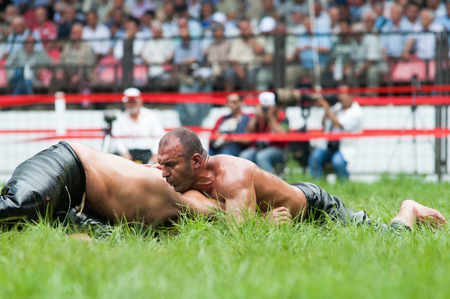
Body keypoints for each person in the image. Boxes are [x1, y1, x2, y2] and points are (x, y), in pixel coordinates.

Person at [157, 127, 447, 230]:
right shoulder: (179, 174)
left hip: (316, 209)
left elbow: (242, 234)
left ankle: (409, 208)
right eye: (162, 165)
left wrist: (261, 223)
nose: (164, 172)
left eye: (170, 165)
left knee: (390, 240)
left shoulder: (231, 175)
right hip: (289, 196)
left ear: (196, 162)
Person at [0, 141, 218, 229]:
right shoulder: (178, 191)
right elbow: (219, 212)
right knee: (19, 205)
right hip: (69, 164)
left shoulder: (180, 195)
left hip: (80, 205)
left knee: (17, 223)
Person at [309, 85, 362, 181]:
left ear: (351, 96)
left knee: (337, 162)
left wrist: (326, 107)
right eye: (339, 94)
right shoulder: (337, 107)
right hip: (329, 146)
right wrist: (327, 106)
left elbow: (339, 124)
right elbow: (323, 123)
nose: (339, 97)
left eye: (343, 94)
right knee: (314, 157)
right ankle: (318, 188)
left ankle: (345, 186)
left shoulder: (356, 112)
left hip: (344, 148)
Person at [111, 87, 166, 164]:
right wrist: (124, 154)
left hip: (147, 152)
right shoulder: (119, 118)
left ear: (140, 101)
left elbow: (159, 135)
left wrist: (155, 154)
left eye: (134, 102)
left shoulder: (151, 116)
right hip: (126, 153)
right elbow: (117, 139)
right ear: (125, 103)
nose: (131, 105)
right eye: (129, 102)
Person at [239, 91, 289, 174]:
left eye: (269, 106)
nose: (266, 109)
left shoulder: (282, 117)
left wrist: (270, 117)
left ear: (275, 106)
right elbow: (248, 131)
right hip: (258, 147)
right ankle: (246, 182)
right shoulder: (257, 117)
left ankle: (268, 184)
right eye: (264, 106)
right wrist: (256, 116)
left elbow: (283, 134)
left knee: (262, 156)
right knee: (244, 156)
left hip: (277, 149)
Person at [49, 24, 96, 94]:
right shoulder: (67, 46)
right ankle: (52, 103)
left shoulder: (87, 48)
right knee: (55, 79)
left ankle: (77, 104)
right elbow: (61, 61)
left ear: (80, 34)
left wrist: (79, 75)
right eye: (72, 33)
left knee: (77, 81)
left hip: (82, 75)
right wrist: (60, 71)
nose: (73, 35)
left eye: (76, 33)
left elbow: (89, 66)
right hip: (67, 73)